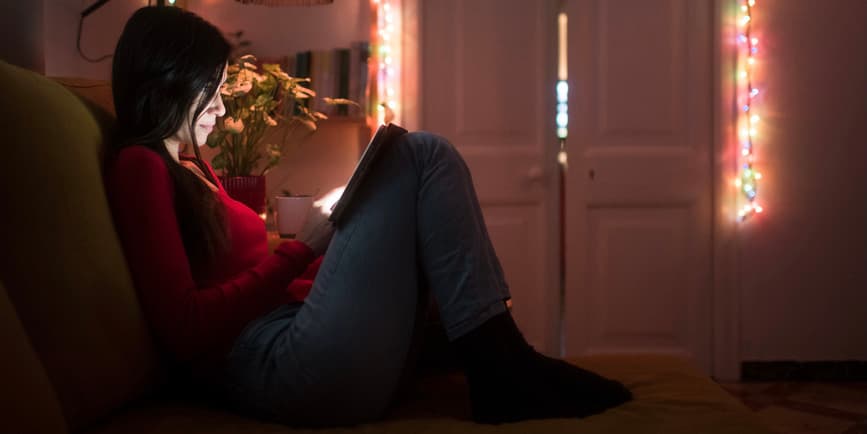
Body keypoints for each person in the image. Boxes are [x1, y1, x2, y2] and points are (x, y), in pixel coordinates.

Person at [106, 6, 632, 427]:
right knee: (420, 153)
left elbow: (247, 277)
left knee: (411, 178)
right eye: (211, 92)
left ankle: (494, 354)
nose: (221, 108)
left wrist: (339, 244)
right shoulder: (140, 167)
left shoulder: (196, 167)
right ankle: (498, 359)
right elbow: (184, 327)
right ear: (168, 84)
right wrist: (303, 248)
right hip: (271, 365)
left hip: (292, 333)